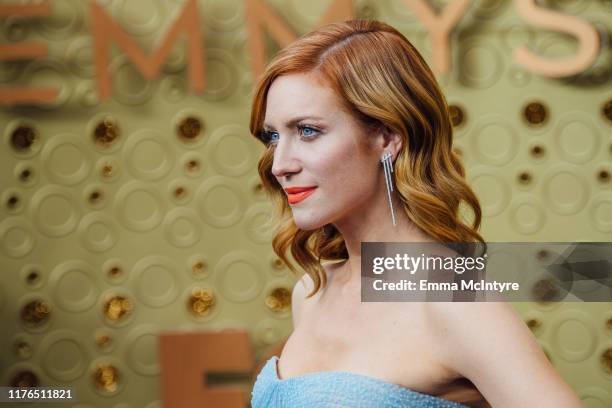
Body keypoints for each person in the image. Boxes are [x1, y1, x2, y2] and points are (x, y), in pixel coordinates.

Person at [248, 19, 583, 408]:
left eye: (307, 131)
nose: (280, 164)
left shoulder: (455, 300)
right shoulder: (311, 292)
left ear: (388, 137)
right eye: (273, 136)